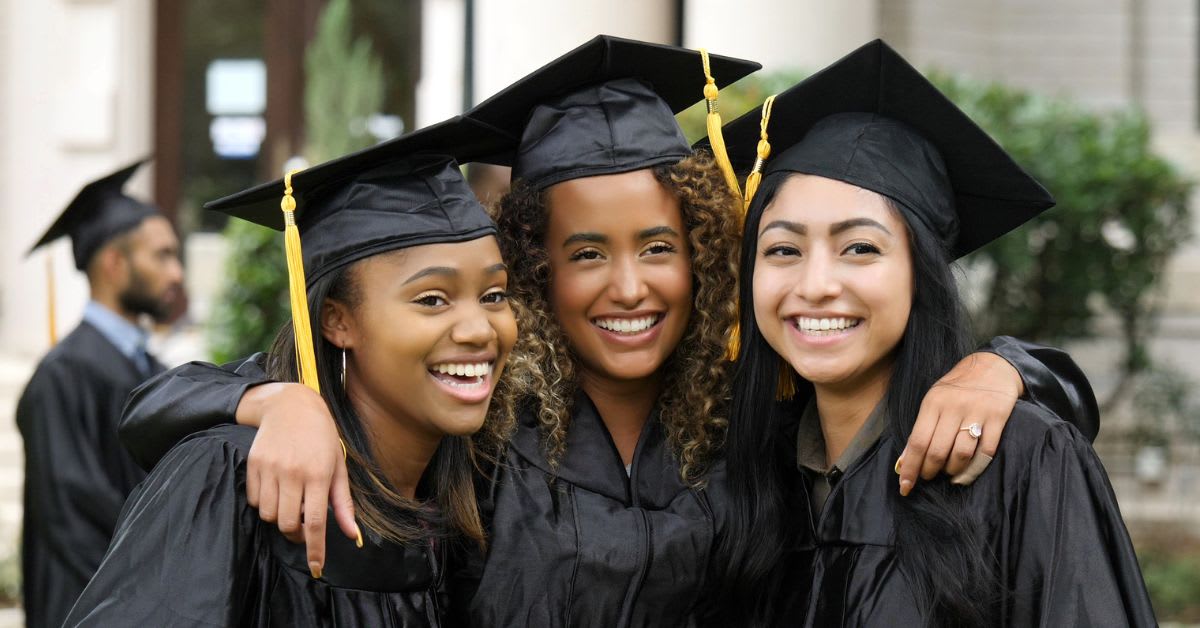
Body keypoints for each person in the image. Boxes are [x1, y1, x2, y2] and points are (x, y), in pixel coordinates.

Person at [118, 37, 1098, 627]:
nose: (628, 286)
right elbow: (177, 403)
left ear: (704, 251)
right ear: (534, 265)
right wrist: (276, 399)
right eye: (585, 252)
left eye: (659, 247)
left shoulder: (752, 419)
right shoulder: (478, 428)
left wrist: (1001, 368)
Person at [714, 40, 1155, 626]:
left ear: (921, 274)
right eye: (783, 249)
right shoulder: (743, 475)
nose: (816, 285)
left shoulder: (1020, 462)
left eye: (860, 248)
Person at [64, 117, 519, 626]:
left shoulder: (472, 493)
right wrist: (278, 399)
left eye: (494, 295)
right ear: (337, 321)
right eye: (431, 299)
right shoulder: (236, 479)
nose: (478, 329)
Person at [16, 159, 183, 628]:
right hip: (90, 611)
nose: (177, 273)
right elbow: (74, 522)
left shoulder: (153, 371)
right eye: (162, 256)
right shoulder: (62, 376)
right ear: (115, 264)